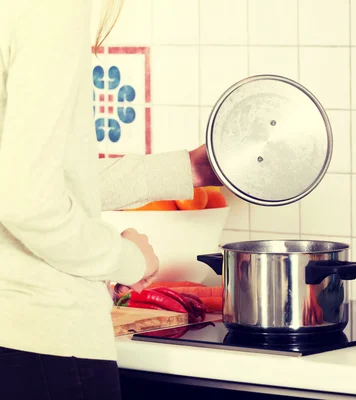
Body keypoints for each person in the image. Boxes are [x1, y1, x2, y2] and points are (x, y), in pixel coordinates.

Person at [0, 0, 221, 398]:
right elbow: (27, 200)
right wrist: (128, 259)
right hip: (42, 340)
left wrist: (188, 170)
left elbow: (41, 176)